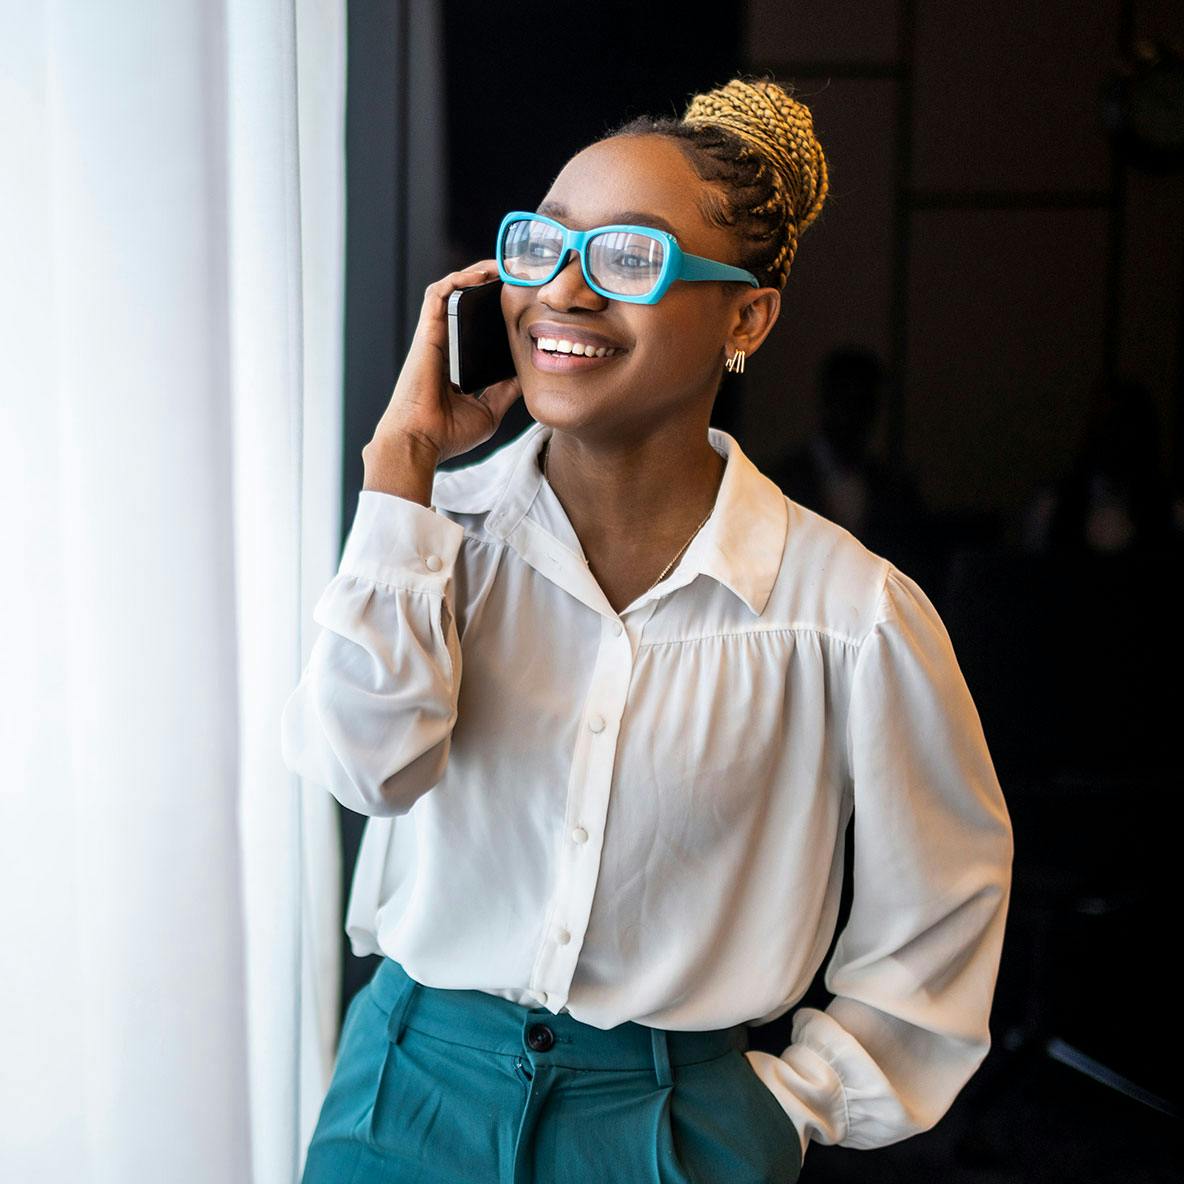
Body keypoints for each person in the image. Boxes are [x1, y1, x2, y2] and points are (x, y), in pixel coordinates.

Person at [282, 74, 1014, 1184]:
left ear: (745, 317)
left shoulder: (849, 617)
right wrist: (399, 478)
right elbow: (361, 769)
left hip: (670, 1125)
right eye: (544, 246)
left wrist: (782, 1107)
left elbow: (944, 909)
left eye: (629, 257)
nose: (565, 290)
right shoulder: (429, 535)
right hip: (404, 1095)